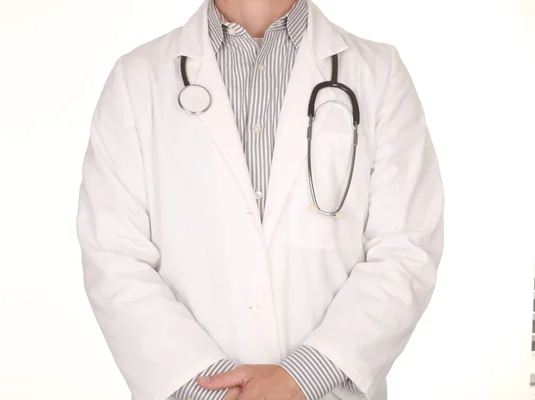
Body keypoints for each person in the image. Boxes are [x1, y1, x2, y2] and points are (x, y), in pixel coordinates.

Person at [75, 0, 444, 399]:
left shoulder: (378, 74)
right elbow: (114, 258)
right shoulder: (137, 79)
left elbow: (406, 248)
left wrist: (302, 377)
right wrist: (213, 390)